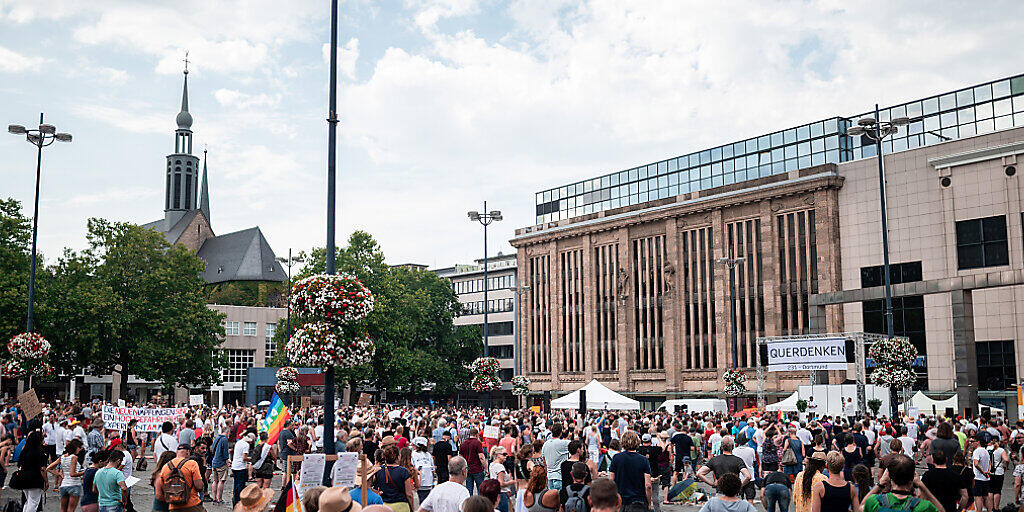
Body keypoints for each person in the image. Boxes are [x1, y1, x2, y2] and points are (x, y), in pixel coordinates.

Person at [861, 454, 943, 512]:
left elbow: (861, 507)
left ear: (889, 476)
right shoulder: (923, 506)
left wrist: (881, 483)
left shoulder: (875, 502)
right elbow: (941, 510)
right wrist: (921, 485)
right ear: (912, 478)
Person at [609, 432, 651, 512]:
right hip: (638, 501)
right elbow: (648, 485)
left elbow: (611, 481)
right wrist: (648, 503)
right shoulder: (643, 460)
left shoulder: (616, 458)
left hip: (620, 501)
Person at [157, 444, 206, 512]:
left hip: (173, 506)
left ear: (177, 452)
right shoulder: (192, 463)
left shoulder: (166, 466)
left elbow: (161, 490)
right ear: (188, 452)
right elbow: (199, 486)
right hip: (192, 504)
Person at [372, 445, 415, 512]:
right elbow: (409, 494)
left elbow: (372, 486)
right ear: (398, 457)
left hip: (385, 506)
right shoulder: (403, 471)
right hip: (401, 506)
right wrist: (412, 508)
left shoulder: (379, 470)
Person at [48, 438, 85, 512]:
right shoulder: (74, 457)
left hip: (64, 485)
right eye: (79, 447)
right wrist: (84, 472)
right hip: (74, 485)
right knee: (71, 510)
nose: (80, 449)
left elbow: (49, 468)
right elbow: (72, 474)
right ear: (75, 447)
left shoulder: (62, 457)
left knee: (63, 510)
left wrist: (59, 474)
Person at [18, 430, 47, 512]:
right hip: (35, 479)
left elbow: (19, 464)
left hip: (23, 478)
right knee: (33, 502)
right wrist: (46, 481)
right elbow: (43, 469)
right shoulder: (40, 452)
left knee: (28, 501)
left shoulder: (24, 451)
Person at [541, 424, 570, 491]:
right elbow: (575, 445)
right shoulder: (563, 443)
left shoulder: (545, 444)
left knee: (551, 499)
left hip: (550, 476)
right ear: (561, 432)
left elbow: (544, 460)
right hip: (559, 476)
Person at [460, 429, 487, 495]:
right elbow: (481, 457)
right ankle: (480, 503)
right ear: (477, 435)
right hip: (477, 468)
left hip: (467, 469)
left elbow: (460, 457)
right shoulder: (477, 443)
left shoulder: (463, 443)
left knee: (469, 488)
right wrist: (486, 468)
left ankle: (470, 503)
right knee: (480, 489)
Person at [230, 433, 253, 506]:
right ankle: (239, 503)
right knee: (241, 486)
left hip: (235, 466)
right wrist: (251, 459)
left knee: (236, 486)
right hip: (241, 467)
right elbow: (244, 458)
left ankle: (235, 502)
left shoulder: (239, 442)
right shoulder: (246, 445)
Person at [488, 447, 513, 512]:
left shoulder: (492, 464)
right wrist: (512, 482)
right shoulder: (500, 466)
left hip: (495, 493)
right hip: (502, 493)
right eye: (504, 454)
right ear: (498, 455)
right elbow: (501, 483)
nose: (506, 456)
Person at [210, 425, 230, 504]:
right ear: (227, 432)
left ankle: (214, 498)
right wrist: (227, 461)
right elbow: (225, 453)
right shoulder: (224, 439)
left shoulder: (216, 438)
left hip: (214, 461)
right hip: (221, 462)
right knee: (221, 481)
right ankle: (220, 499)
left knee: (215, 481)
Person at [970, 436, 991, 512]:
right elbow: (989, 463)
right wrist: (988, 471)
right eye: (970, 441)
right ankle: (989, 510)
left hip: (978, 477)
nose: (971, 443)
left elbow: (976, 464)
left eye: (972, 441)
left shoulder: (977, 451)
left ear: (978, 442)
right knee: (986, 496)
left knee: (978, 497)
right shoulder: (985, 451)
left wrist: (983, 472)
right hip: (986, 478)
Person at [413, 437, 437, 504]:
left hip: (419, 482)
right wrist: (432, 481)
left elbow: (413, 468)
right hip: (428, 482)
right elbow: (432, 469)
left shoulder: (414, 454)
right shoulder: (428, 455)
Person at [987, 437, 1008, 508]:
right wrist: (1006, 466)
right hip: (999, 472)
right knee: (997, 490)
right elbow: (1006, 459)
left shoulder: (987, 449)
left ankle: (991, 507)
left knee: (990, 490)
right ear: (998, 442)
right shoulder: (1001, 450)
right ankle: (996, 508)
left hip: (989, 471)